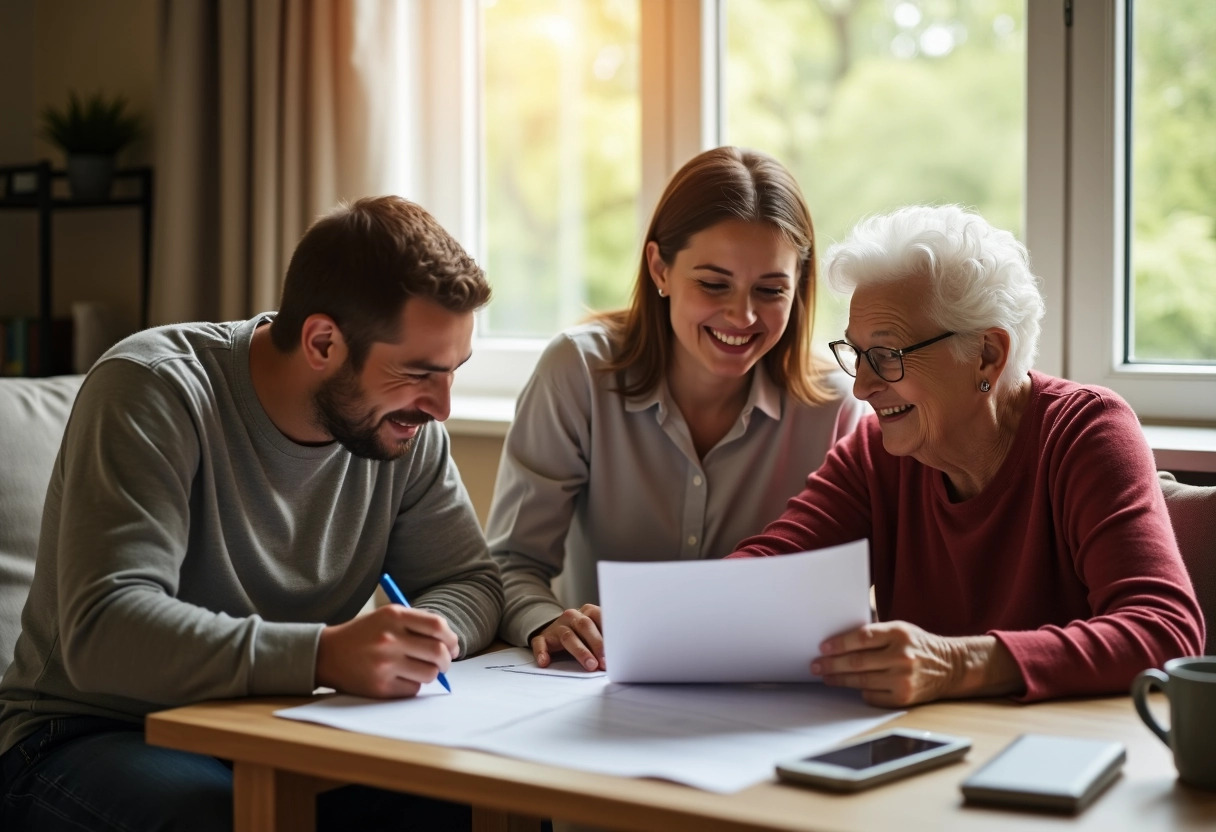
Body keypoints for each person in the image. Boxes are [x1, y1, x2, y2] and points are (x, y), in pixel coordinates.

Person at [0, 196, 503, 830]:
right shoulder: (155, 388)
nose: (442, 406)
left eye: (455, 371)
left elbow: (471, 582)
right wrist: (322, 656)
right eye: (419, 372)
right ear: (323, 341)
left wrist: (423, 637)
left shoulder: (404, 430)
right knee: (219, 819)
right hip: (93, 731)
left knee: (482, 798)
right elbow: (104, 630)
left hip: (278, 725)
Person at [726, 204, 1205, 705]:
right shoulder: (876, 453)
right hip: (928, 748)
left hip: (1063, 752)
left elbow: (1163, 631)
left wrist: (958, 663)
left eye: (887, 356)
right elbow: (766, 572)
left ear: (987, 355)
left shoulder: (1086, 432)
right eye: (857, 354)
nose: (863, 386)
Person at [487, 146, 865, 671]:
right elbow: (511, 562)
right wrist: (545, 618)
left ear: (798, 286)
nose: (743, 315)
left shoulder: (835, 408)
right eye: (713, 284)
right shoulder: (578, 372)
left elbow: (841, 592)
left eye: (771, 289)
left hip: (762, 691)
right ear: (659, 267)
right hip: (597, 682)